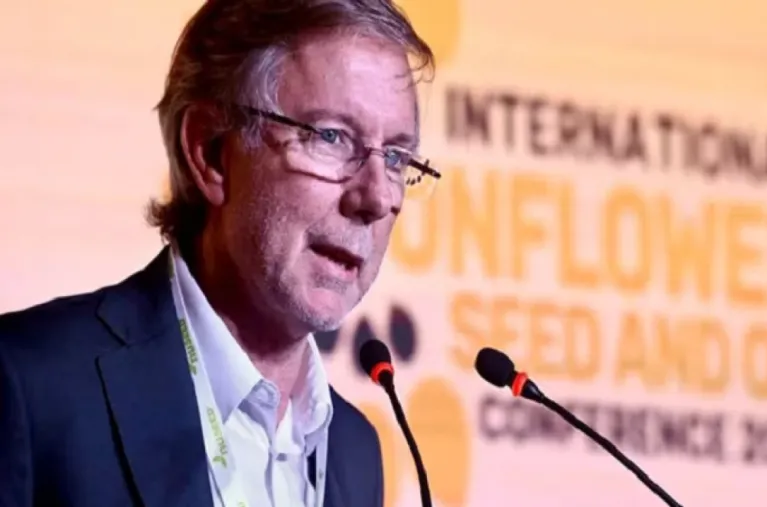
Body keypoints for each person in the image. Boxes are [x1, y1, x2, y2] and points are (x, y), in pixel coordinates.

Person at [0, 0, 439, 505]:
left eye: (397, 157)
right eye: (331, 137)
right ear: (210, 153)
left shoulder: (355, 450)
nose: (377, 197)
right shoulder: (32, 387)